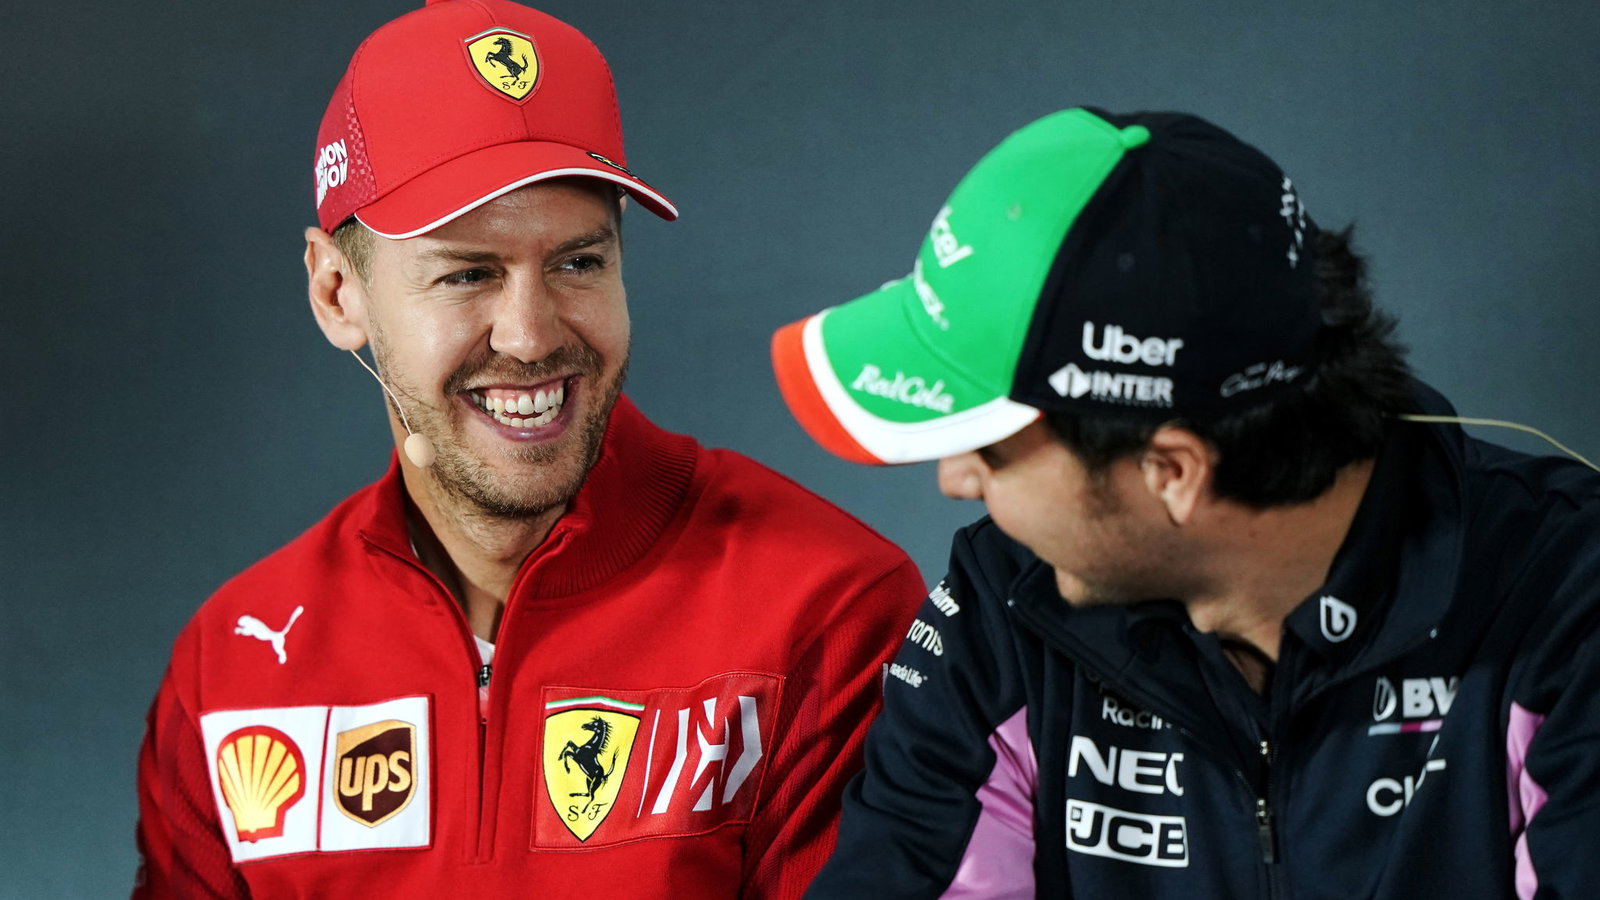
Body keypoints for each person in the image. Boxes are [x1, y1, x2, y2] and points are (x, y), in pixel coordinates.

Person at [132, 2, 924, 896]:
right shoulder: (233, 664)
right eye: (467, 273)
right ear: (336, 293)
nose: (531, 335)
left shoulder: (827, 608)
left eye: (577, 263)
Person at [770, 107, 1600, 897]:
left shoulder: (1569, 601)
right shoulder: (1000, 608)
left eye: (989, 445)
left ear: (1172, 473)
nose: (954, 478)